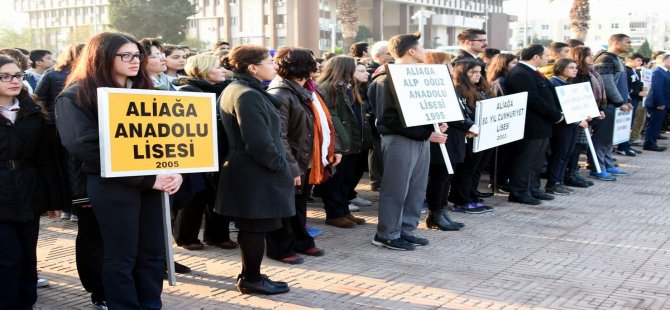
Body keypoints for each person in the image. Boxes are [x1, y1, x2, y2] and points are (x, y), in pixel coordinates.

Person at [55, 32, 183, 309]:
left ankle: (150, 304)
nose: (135, 60)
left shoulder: (148, 92)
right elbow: (85, 147)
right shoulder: (75, 96)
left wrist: (177, 170)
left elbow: (172, 139)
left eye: (137, 55)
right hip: (113, 186)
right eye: (125, 55)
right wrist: (149, 178)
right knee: (121, 254)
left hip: (155, 183)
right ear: (101, 57)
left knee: (151, 252)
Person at [215, 44, 293, 295]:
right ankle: (251, 279)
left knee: (253, 227)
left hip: (250, 171)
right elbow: (258, 141)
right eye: (269, 63)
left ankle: (251, 274)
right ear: (252, 68)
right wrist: (280, 166)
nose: (274, 67)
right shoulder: (246, 94)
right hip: (254, 173)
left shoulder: (241, 89)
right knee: (254, 228)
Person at [368, 32, 448, 250]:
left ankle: (405, 229)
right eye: (422, 47)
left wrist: (436, 123)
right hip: (399, 140)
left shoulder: (419, 75)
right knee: (396, 188)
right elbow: (388, 119)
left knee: (416, 187)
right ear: (411, 51)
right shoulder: (386, 79)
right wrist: (425, 133)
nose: (425, 51)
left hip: (421, 138)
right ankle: (387, 234)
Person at [0, 55, 64, 310]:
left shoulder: (32, 112)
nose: (14, 81)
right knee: (8, 259)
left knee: (27, 258)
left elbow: (45, 159)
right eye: (5, 76)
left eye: (17, 75)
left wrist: (53, 199)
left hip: (28, 192)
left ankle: (26, 304)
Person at [266, 47, 340, 264]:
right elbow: (279, 136)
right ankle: (280, 248)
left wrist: (333, 149)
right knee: (285, 206)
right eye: (311, 62)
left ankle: (301, 240)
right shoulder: (281, 93)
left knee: (298, 203)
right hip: (293, 160)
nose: (317, 65)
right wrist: (291, 167)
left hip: (306, 157)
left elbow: (324, 124)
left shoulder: (309, 89)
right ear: (300, 66)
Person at [171, 53, 237, 251]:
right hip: (196, 151)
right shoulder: (188, 91)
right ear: (203, 70)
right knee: (196, 195)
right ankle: (185, 236)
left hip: (221, 149)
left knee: (220, 194)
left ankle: (217, 235)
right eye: (217, 67)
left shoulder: (223, 89)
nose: (222, 70)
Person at [314, 56, 370, 227]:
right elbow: (332, 118)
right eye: (354, 67)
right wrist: (342, 141)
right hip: (340, 144)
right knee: (335, 182)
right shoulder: (328, 88)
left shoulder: (348, 86)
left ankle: (344, 210)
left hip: (352, 143)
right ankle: (334, 214)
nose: (359, 70)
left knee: (347, 180)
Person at [504, 44, 564, 205]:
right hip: (530, 124)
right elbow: (533, 99)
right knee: (525, 160)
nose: (548, 58)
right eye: (545, 55)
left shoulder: (533, 72)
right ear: (536, 57)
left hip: (541, 124)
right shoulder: (520, 73)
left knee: (536, 160)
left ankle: (533, 188)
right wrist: (555, 114)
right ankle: (519, 192)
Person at [423, 52, 473, 230]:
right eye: (449, 63)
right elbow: (449, 114)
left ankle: (442, 210)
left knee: (448, 176)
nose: (452, 67)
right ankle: (435, 213)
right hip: (444, 136)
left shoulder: (451, 85)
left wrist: (468, 125)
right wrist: (469, 125)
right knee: (440, 176)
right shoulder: (433, 87)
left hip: (456, 136)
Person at [447, 59, 495, 214]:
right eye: (472, 72)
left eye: (479, 72)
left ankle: (471, 195)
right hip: (469, 136)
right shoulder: (457, 90)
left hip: (481, 135)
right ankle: (461, 200)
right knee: (467, 169)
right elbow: (458, 114)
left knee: (476, 169)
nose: (477, 75)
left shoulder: (480, 89)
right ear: (462, 73)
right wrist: (470, 126)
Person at [591, 34, 633, 180]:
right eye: (627, 42)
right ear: (616, 43)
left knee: (609, 139)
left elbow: (621, 84)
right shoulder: (605, 59)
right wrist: (620, 102)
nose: (630, 45)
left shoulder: (616, 58)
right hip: (608, 105)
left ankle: (608, 164)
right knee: (602, 138)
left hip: (616, 105)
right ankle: (598, 167)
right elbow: (608, 84)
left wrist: (626, 100)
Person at [545, 58, 589, 195]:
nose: (575, 70)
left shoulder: (566, 83)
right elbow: (559, 107)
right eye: (571, 67)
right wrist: (577, 120)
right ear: (560, 68)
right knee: (560, 153)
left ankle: (559, 181)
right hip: (562, 125)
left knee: (567, 153)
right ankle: (552, 183)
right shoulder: (554, 83)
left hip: (571, 124)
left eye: (575, 67)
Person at [564, 46, 603, 188]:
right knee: (576, 145)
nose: (592, 57)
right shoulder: (577, 75)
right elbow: (576, 97)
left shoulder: (588, 73)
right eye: (588, 55)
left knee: (581, 144)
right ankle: (570, 173)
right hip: (579, 116)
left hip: (588, 114)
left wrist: (598, 110)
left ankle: (574, 171)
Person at [366, 41, 393, 192]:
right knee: (376, 151)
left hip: (378, 117)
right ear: (378, 56)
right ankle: (376, 180)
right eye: (389, 54)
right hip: (375, 117)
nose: (392, 56)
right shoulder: (373, 72)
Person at [616, 53, 646, 156]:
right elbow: (626, 87)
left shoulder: (635, 71)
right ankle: (622, 147)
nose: (641, 62)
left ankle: (626, 145)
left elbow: (637, 83)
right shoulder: (626, 70)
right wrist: (638, 93)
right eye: (638, 60)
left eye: (641, 61)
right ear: (629, 59)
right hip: (629, 100)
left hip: (635, 100)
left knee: (630, 124)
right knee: (625, 125)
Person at [643, 53, 670, 152]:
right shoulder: (658, 71)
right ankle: (649, 144)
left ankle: (652, 142)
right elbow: (657, 89)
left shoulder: (666, 72)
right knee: (653, 124)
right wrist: (660, 103)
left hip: (663, 103)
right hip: (657, 104)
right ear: (664, 61)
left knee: (657, 124)